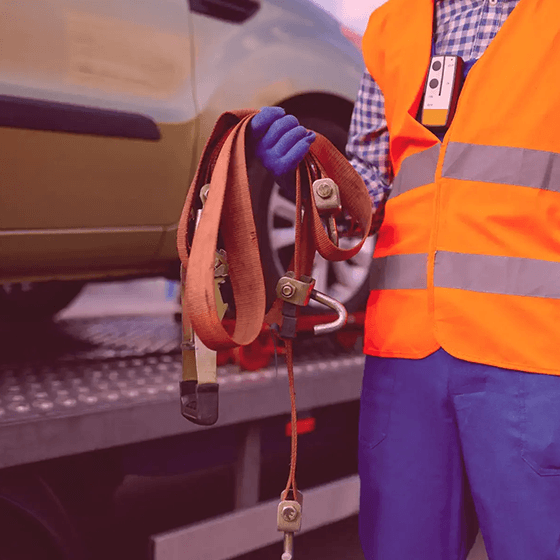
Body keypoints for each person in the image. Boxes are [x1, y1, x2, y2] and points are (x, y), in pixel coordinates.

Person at [250, 0, 560, 559]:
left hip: (534, 357)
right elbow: (368, 185)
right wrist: (312, 176)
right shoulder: (394, 26)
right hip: (406, 359)